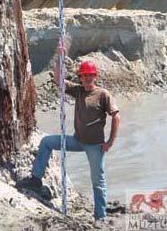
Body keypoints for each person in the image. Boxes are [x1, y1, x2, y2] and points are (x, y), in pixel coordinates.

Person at [20, 49, 120, 227]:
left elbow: (116, 116)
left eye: (90, 75)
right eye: (84, 76)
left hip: (96, 146)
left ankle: (100, 216)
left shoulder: (103, 94)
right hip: (77, 140)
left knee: (98, 181)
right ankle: (35, 180)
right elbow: (59, 79)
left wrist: (110, 142)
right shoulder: (78, 91)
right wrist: (59, 56)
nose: (87, 79)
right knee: (46, 142)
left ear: (95, 76)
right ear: (80, 77)